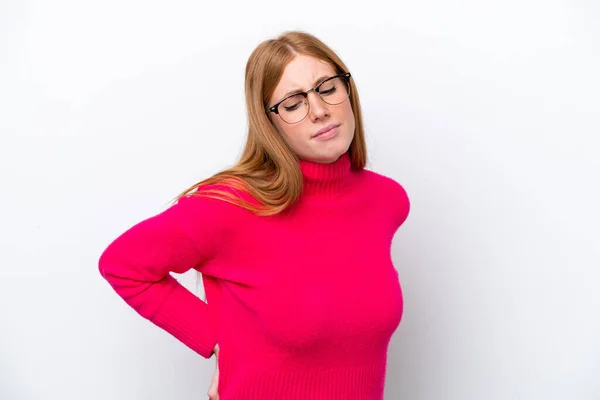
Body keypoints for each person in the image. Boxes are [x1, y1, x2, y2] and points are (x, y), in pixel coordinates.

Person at [98, 30, 410, 400]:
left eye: (327, 88)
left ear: (347, 90)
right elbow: (122, 264)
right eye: (293, 104)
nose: (320, 110)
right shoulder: (231, 207)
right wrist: (217, 341)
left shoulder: (385, 201)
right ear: (270, 124)